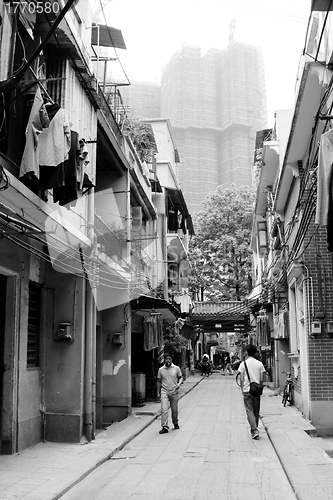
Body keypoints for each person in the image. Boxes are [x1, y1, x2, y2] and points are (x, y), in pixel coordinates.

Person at [238, 344, 266, 440]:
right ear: (255, 353)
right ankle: (255, 428)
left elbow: (241, 379)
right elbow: (262, 379)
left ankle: (254, 430)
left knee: (249, 410)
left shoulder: (243, 364)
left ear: (246, 352)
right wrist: (260, 387)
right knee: (256, 410)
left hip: (247, 390)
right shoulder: (260, 364)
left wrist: (242, 389)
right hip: (256, 390)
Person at [157, 354, 183, 434]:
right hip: (164, 391)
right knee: (164, 409)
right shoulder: (161, 369)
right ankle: (164, 427)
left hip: (174, 391)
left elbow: (181, 377)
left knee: (174, 410)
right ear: (164, 360)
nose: (168, 360)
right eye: (166, 359)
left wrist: (178, 385)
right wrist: (158, 393)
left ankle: (175, 422)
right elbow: (158, 381)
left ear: (171, 360)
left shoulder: (176, 368)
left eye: (169, 359)